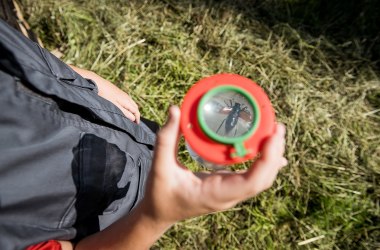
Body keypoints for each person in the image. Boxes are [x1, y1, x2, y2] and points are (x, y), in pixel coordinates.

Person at [0, 18, 287, 250]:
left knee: (148, 142)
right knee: (139, 178)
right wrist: (156, 214)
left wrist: (79, 78)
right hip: (108, 201)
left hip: (101, 112)